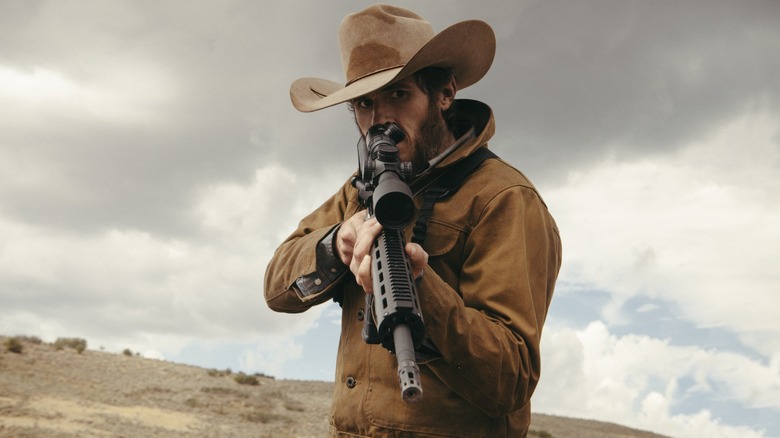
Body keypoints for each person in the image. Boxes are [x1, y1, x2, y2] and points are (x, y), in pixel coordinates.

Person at [264, 4, 562, 437]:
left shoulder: (503, 198)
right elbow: (276, 286)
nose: (380, 119)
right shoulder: (357, 190)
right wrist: (334, 246)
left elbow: (510, 379)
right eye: (365, 103)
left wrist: (419, 286)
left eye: (399, 95)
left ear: (444, 94)